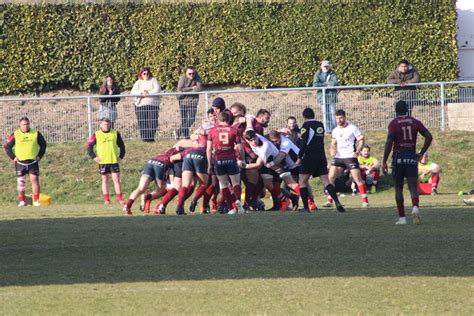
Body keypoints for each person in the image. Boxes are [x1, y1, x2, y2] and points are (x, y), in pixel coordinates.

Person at [382, 100, 432, 225]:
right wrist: (421, 153)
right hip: (411, 157)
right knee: (413, 187)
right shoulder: (415, 122)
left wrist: (384, 161)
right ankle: (415, 207)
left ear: (395, 110)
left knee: (398, 188)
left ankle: (402, 218)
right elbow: (429, 136)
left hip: (399, 158)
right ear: (407, 109)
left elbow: (389, 142)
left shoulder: (394, 123)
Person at [298, 108, 345, 213]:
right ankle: (337, 202)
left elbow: (305, 142)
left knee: (302, 182)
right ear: (313, 115)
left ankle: (306, 207)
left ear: (304, 116)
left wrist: (299, 156)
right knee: (326, 181)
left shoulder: (305, 126)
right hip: (321, 156)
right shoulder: (320, 124)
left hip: (309, 157)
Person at [123, 147, 183, 215]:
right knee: (161, 191)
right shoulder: (180, 155)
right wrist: (172, 184)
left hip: (151, 162)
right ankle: (150, 198)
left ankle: (127, 205)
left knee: (140, 188)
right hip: (162, 164)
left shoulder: (171, 149)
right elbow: (172, 168)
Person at [328, 110, 370, 207]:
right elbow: (333, 143)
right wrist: (332, 150)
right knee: (330, 177)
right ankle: (329, 201)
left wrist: (358, 150)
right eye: (337, 118)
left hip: (350, 156)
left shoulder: (352, 128)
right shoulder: (335, 130)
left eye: (340, 118)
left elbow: (361, 139)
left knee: (357, 178)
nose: (338, 120)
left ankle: (365, 200)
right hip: (339, 157)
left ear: (345, 117)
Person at [206, 111, 245, 215]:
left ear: (219, 119)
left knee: (223, 185)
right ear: (228, 119)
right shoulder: (234, 130)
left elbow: (209, 149)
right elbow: (240, 147)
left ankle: (231, 208)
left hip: (219, 160)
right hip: (231, 159)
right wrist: (242, 159)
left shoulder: (212, 131)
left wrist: (210, 164)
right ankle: (238, 201)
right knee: (236, 183)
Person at [4, 116, 47, 207]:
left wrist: (39, 156)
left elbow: (43, 145)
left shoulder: (35, 133)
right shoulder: (15, 134)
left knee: (34, 180)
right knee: (21, 181)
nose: (25, 126)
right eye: (23, 124)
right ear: (20, 125)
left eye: (27, 124)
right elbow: (7, 146)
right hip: (20, 162)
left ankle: (36, 201)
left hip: (32, 162)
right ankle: (22, 201)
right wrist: (13, 157)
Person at [87, 118, 126, 205]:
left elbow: (122, 146)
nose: (106, 126)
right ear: (101, 125)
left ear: (110, 125)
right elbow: (89, 146)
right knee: (105, 180)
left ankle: (120, 199)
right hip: (103, 162)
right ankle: (107, 200)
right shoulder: (96, 134)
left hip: (113, 161)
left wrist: (121, 156)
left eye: (107, 124)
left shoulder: (115, 133)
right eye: (104, 124)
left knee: (116, 179)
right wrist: (94, 157)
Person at [131, 67, 161, 142]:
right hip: (141, 105)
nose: (146, 75)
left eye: (147, 73)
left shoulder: (153, 80)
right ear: (141, 74)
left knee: (153, 122)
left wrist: (148, 93)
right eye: (144, 73)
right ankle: (144, 138)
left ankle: (150, 138)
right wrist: (142, 93)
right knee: (142, 122)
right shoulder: (138, 82)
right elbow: (133, 92)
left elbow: (157, 90)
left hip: (152, 104)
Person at [176, 66, 203, 139]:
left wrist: (186, 91)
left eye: (193, 73)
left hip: (193, 101)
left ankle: (178, 131)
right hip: (183, 101)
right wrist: (191, 88)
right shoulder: (182, 78)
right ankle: (186, 136)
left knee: (191, 119)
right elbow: (180, 89)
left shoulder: (197, 77)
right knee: (184, 120)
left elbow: (199, 88)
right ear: (186, 73)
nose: (191, 75)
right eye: (189, 73)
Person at [313, 60, 338, 132]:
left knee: (333, 113)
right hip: (322, 97)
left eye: (327, 66)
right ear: (321, 66)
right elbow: (315, 84)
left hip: (331, 97)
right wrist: (326, 84)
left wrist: (323, 84)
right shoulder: (317, 74)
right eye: (324, 66)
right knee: (325, 114)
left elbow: (335, 83)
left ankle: (335, 129)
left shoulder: (332, 73)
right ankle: (328, 129)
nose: (326, 67)